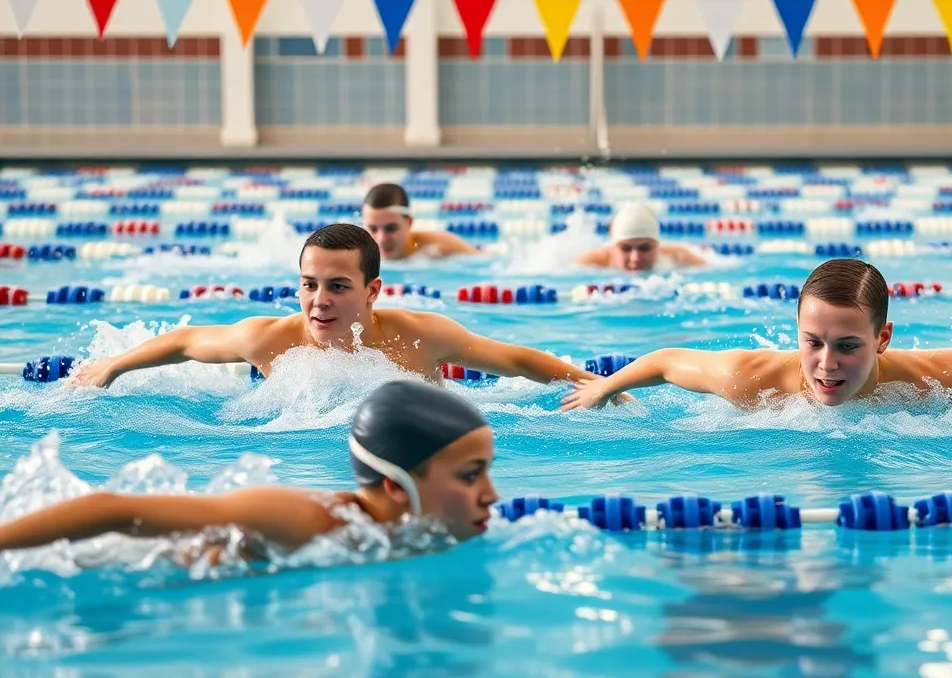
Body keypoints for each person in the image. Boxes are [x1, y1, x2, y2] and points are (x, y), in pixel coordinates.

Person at [560, 258, 952, 411]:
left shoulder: (928, 381)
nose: (825, 364)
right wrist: (603, 388)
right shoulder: (754, 383)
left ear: (883, 339)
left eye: (848, 345)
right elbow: (667, 359)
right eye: (812, 341)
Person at [70, 223, 604, 390]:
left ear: (373, 291)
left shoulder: (420, 335)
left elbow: (514, 360)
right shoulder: (271, 340)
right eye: (308, 285)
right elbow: (187, 342)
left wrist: (596, 384)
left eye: (338, 287)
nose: (319, 302)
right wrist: (113, 366)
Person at [0, 379, 499, 553]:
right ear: (395, 486)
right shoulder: (310, 517)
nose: (492, 494)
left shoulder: (418, 533)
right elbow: (110, 509)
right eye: (470, 475)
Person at [574, 202, 707, 272]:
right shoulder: (590, 262)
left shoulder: (679, 256)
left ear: (657, 245)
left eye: (645, 248)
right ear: (613, 246)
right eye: (625, 248)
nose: (635, 258)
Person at [361, 182, 479, 260]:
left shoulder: (439, 247)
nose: (382, 238)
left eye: (391, 228)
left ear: (409, 223)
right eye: (373, 229)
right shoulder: (356, 255)